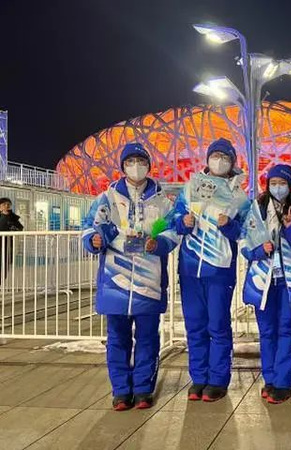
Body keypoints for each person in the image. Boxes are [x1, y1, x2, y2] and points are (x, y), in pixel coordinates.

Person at [82, 142, 179, 411]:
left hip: (149, 282)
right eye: (130, 162)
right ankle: (121, 391)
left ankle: (144, 388)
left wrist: (159, 244)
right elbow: (87, 227)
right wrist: (93, 240)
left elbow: (173, 233)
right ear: (123, 166)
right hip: (115, 281)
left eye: (141, 161)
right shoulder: (107, 198)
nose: (136, 166)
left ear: (149, 165)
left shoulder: (162, 202)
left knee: (148, 338)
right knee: (117, 339)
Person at [172, 137, 250, 403]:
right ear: (207, 159)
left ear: (232, 162)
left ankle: (217, 379)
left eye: (225, 157)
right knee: (195, 326)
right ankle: (199, 378)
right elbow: (174, 219)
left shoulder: (239, 196)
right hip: (190, 266)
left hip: (219, 269)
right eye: (215, 156)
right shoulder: (190, 188)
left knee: (218, 326)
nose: (219, 161)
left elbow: (245, 232)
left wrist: (228, 225)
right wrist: (182, 222)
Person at [240, 164, 291, 404]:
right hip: (262, 279)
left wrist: (290, 228)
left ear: (290, 185)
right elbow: (244, 243)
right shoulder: (256, 209)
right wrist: (259, 250)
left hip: (287, 279)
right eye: (273, 183)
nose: (277, 187)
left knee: (286, 329)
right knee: (266, 331)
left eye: (282, 183)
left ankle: (283, 382)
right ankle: (270, 378)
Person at [0, 198, 24, 281]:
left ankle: (2, 280)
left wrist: (14, 229)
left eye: (8, 204)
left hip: (8, 243)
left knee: (6, 262)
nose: (6, 206)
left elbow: (20, 228)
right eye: (4, 204)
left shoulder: (13, 217)